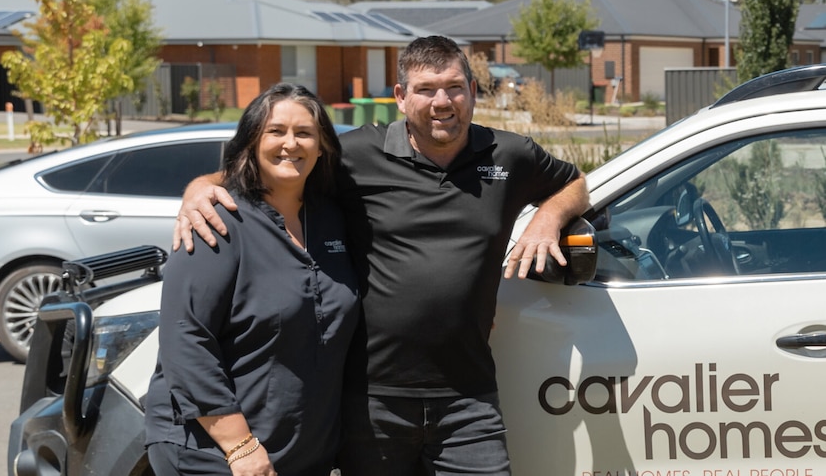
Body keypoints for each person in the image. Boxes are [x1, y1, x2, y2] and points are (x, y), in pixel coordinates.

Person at [175, 36, 590, 475]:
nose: (442, 101)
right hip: (370, 403)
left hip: (468, 398)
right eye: (426, 89)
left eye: (454, 87)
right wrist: (198, 189)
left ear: (472, 89)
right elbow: (268, 169)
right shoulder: (355, 155)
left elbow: (574, 184)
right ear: (400, 97)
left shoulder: (509, 155)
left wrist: (546, 218)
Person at [145, 84, 360, 476]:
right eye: (275, 131)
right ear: (250, 141)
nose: (290, 144)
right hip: (217, 454)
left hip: (301, 452)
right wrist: (239, 446)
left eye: (304, 133)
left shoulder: (332, 217)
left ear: (323, 144)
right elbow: (184, 336)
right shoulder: (217, 218)